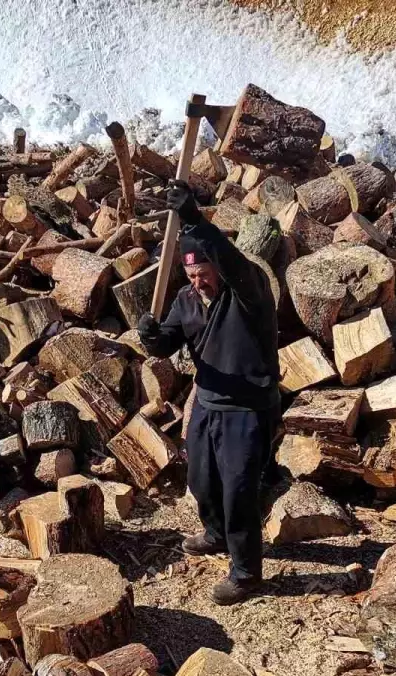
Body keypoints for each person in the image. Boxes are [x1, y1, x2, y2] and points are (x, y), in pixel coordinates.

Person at [138, 179, 280, 605]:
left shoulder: (248, 291)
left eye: (204, 274)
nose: (199, 282)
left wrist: (195, 220)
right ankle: (216, 535)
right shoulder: (185, 298)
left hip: (248, 408)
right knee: (201, 480)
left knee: (239, 490)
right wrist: (151, 337)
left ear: (217, 268)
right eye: (191, 274)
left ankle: (246, 573)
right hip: (208, 401)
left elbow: (233, 261)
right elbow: (167, 344)